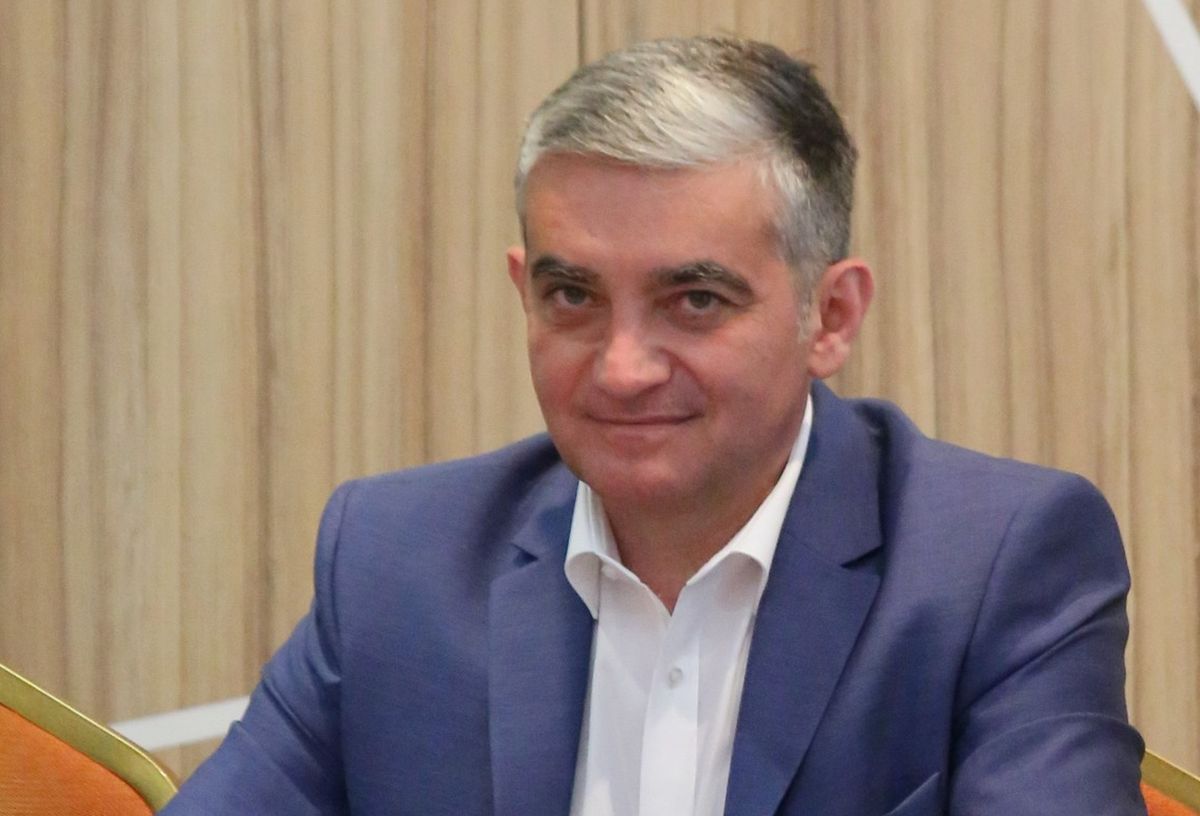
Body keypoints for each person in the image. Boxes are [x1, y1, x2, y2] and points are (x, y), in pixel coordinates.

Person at [161, 36, 1146, 816]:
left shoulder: (993, 568)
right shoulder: (395, 564)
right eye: (573, 296)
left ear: (831, 317)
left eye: (695, 301)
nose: (623, 368)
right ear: (524, 290)